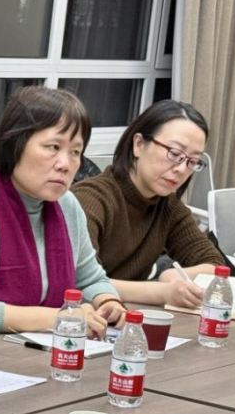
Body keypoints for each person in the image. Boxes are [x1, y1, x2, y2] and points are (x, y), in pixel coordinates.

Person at [0, 86, 122, 340]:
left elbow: (91, 279)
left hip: (30, 350)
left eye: (75, 152)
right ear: (15, 144)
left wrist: (108, 301)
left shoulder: (67, 205)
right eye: (53, 147)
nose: (65, 164)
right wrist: (56, 317)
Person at [72, 100, 226, 308]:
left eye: (192, 161)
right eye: (174, 154)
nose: (181, 169)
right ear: (138, 145)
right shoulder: (90, 199)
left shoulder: (167, 206)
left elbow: (215, 265)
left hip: (129, 316)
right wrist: (162, 292)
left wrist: (173, 275)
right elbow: (80, 281)